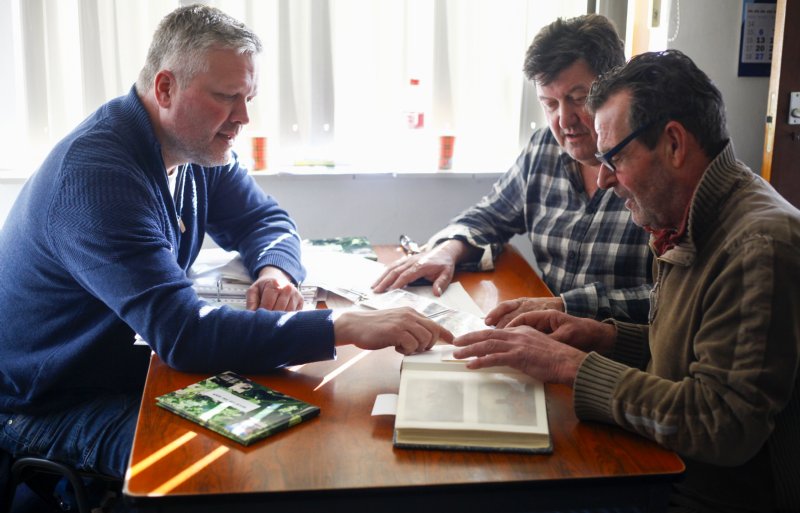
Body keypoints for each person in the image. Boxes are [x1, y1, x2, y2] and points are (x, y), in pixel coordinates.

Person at [0, 3, 451, 489]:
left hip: (122, 365)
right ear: (165, 88)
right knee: (226, 464)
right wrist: (345, 326)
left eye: (248, 97)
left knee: (296, 426)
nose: (243, 118)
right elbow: (184, 335)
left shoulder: (194, 145)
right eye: (226, 97)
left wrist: (275, 270)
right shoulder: (98, 178)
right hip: (50, 401)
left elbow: (267, 219)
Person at [452, 50, 800, 513]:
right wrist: (605, 337)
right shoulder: (680, 216)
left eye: (613, 157)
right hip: (663, 460)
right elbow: (682, 356)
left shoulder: (755, 246)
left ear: (674, 144)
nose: (606, 179)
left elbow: (721, 425)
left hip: (703, 491)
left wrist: (573, 366)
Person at [372, 14, 652, 324]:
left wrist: (565, 307)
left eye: (577, 99)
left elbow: (668, 300)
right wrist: (447, 250)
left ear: (615, 87)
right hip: (543, 334)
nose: (564, 120)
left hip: (616, 352)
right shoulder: (545, 147)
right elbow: (490, 216)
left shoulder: (651, 162)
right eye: (549, 104)